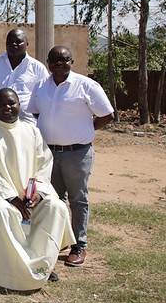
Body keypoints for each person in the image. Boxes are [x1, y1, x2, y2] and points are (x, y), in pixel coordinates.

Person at [0, 88, 74, 291]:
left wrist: (38, 193)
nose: (7, 108)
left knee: (56, 207)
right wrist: (11, 197)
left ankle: (42, 263)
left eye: (12, 103)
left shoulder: (32, 131)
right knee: (1, 211)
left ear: (20, 105)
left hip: (30, 194)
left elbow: (44, 163)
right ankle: (4, 268)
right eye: (1, 104)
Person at [28, 46, 114, 268]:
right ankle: (58, 241)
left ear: (72, 61)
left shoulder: (86, 85)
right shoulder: (40, 86)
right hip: (49, 154)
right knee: (52, 199)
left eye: (63, 60)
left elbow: (107, 114)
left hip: (77, 153)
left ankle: (79, 245)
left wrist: (87, 130)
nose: (59, 64)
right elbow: (37, 113)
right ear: (47, 63)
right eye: (54, 60)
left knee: (77, 199)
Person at [0, 28, 48, 125]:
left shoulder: (37, 67)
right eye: (10, 42)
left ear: (27, 44)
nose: (13, 44)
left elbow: (44, 95)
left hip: (27, 123)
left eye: (18, 42)